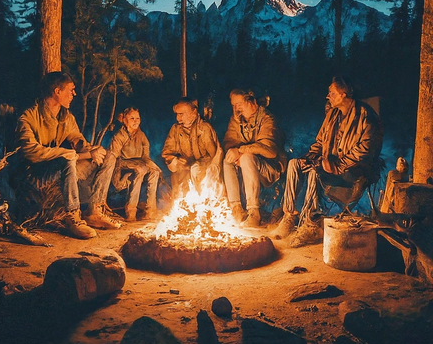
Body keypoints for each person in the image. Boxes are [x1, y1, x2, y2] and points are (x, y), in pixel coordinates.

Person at [273, 75, 383, 247]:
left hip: (354, 171)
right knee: (295, 164)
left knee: (315, 172)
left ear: (344, 94)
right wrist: (309, 158)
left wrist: (338, 166)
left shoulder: (365, 116)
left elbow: (365, 151)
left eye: (331, 92)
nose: (328, 96)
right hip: (329, 165)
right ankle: (289, 217)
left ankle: (310, 223)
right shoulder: (333, 115)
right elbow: (320, 142)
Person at [14, 71, 121, 240]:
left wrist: (90, 149)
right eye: (71, 90)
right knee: (67, 160)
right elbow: (30, 151)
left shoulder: (65, 117)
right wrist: (71, 153)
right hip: (33, 176)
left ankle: (94, 211)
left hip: (60, 168)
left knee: (109, 157)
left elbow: (77, 138)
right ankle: (73, 216)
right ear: (57, 91)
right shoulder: (28, 117)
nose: (74, 94)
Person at [222, 89, 287, 227]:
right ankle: (236, 209)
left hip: (270, 169)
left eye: (239, 104)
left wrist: (240, 150)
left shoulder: (267, 119)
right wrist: (234, 152)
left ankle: (253, 212)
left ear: (252, 102)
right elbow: (229, 142)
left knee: (246, 158)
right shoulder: (236, 120)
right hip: (248, 164)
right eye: (233, 105)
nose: (236, 108)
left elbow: (269, 150)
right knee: (227, 160)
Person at [89, 107, 161, 222]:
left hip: (138, 163)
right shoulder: (119, 136)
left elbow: (145, 156)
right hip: (122, 166)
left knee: (155, 171)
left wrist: (152, 165)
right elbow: (114, 159)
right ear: (124, 120)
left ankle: (150, 210)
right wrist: (135, 166)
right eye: (132, 118)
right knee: (140, 169)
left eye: (137, 118)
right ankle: (131, 210)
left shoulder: (141, 135)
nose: (135, 121)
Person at [161, 97, 223, 198]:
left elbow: (215, 155)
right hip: (184, 170)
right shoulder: (176, 129)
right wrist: (175, 161)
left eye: (181, 114)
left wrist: (201, 166)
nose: (178, 118)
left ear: (193, 112)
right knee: (178, 181)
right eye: (177, 114)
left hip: (205, 168)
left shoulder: (204, 128)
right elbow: (167, 153)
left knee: (196, 170)